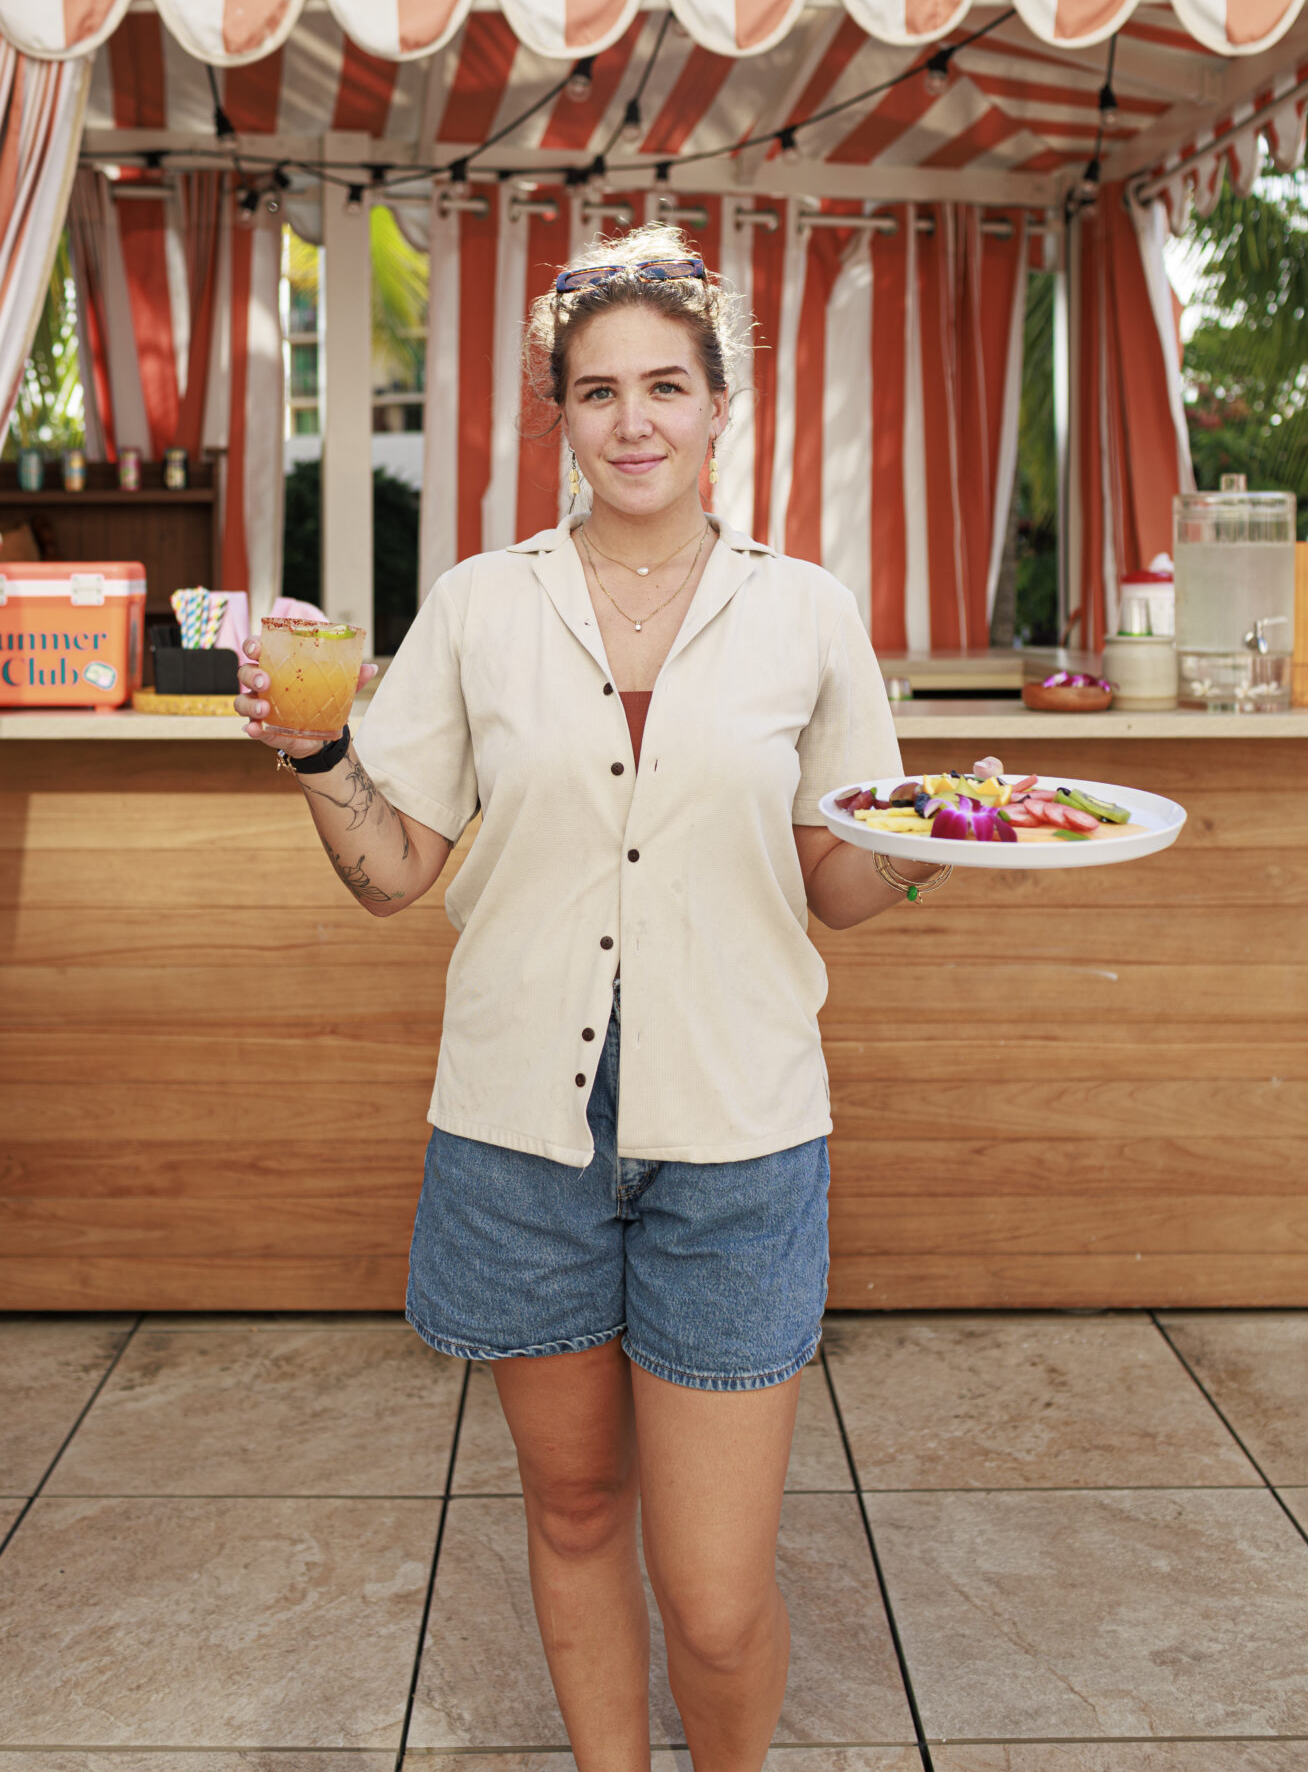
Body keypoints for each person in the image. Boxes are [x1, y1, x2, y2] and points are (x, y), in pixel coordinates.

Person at [235, 226, 950, 1772]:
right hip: (517, 1136)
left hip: (739, 1138)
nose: (634, 420)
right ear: (556, 414)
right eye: (599, 390)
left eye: (666, 387)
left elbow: (838, 874)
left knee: (709, 1592)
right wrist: (313, 755)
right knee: (568, 1511)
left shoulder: (805, 614)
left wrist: (942, 855)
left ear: (719, 406)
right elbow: (395, 871)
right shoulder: (484, 605)